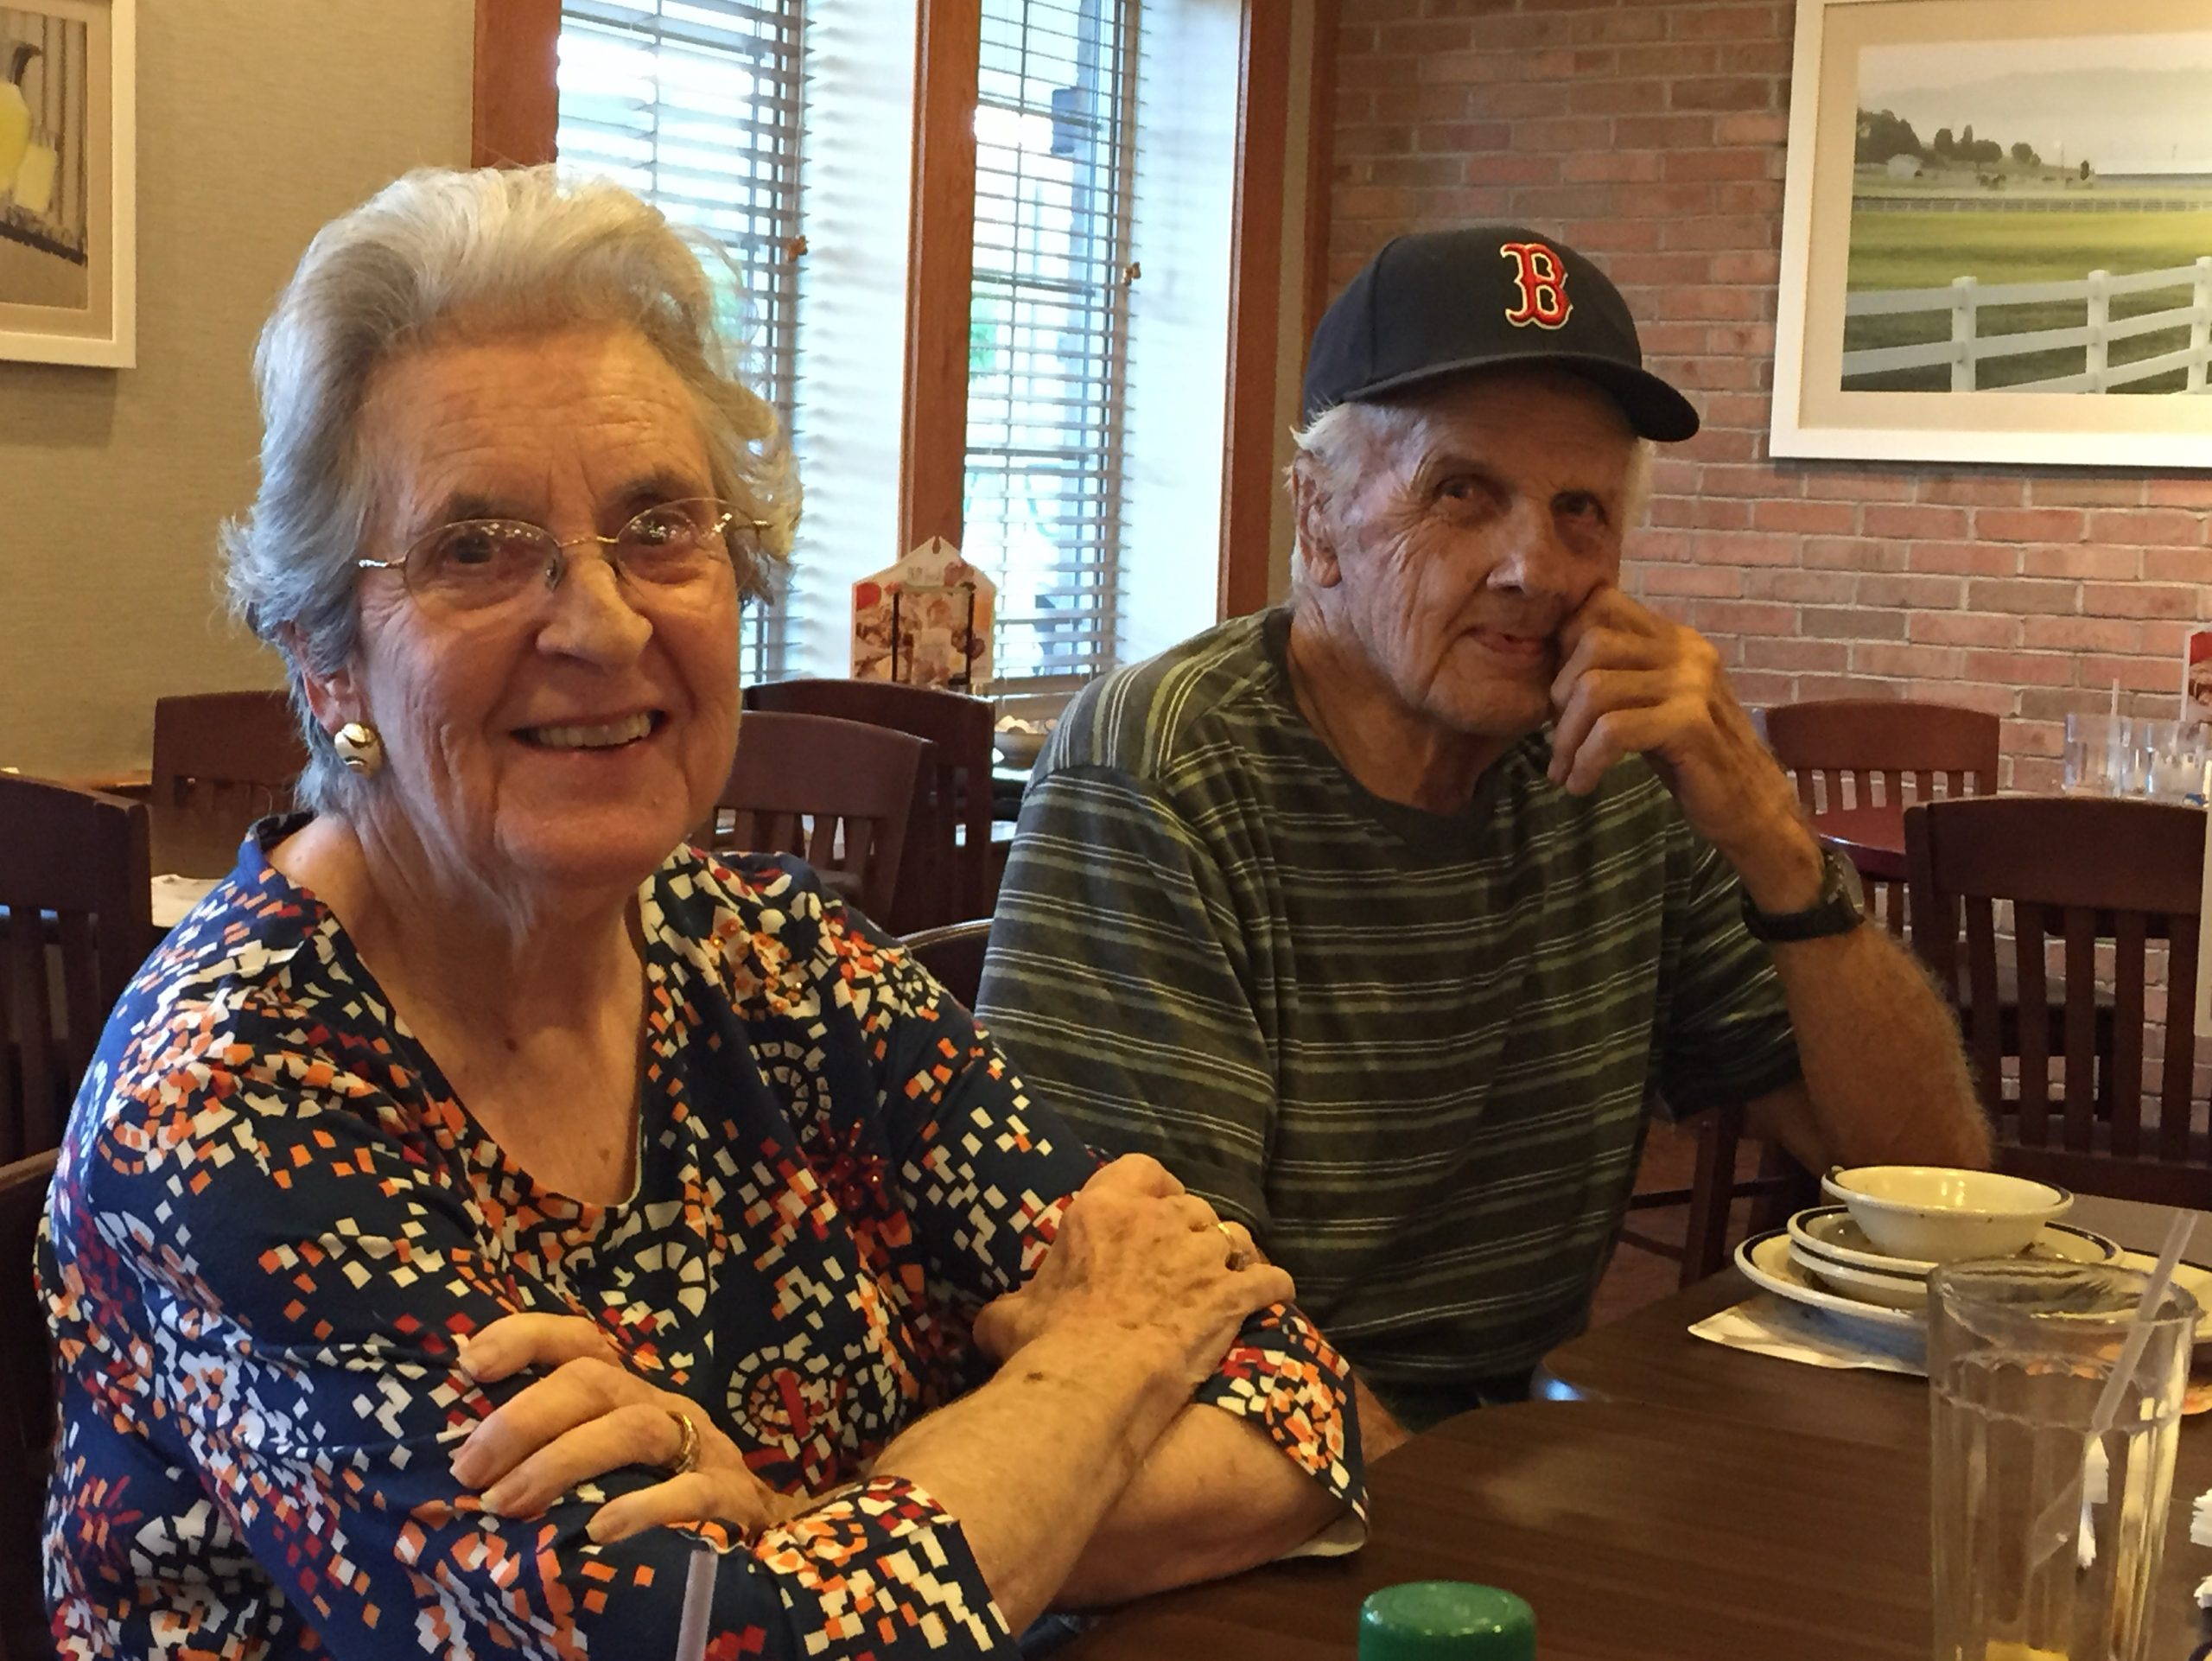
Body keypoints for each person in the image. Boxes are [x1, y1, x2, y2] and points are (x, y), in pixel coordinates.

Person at [39, 167, 1363, 1661]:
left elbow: (1289, 1397)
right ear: (327, 659)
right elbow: (684, 1643)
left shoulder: (782, 961)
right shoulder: (229, 1101)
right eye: (475, 547)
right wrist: (1103, 1367)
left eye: (661, 524)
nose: (603, 624)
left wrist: (791, 1531)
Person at [976, 226, 1990, 1443]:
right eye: (1463, 493)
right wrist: (1469, 1527)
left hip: (1517, 1452)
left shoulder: (1614, 771)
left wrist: (1775, 843)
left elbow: (1935, 1191)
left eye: (1580, 510)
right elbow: (1156, 1339)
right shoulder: (1164, 766)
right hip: (1236, 1489)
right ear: (1318, 517)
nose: (1532, 568)